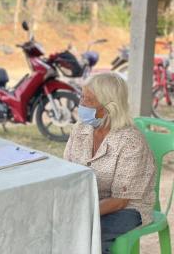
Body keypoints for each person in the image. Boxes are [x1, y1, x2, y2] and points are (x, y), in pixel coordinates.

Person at [64, 72, 156, 254]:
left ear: (109, 107)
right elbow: (67, 171)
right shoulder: (81, 129)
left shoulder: (130, 141)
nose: (81, 105)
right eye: (82, 97)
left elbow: (120, 201)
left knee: (86, 234)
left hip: (128, 208)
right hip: (89, 199)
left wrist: (81, 213)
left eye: (88, 101)